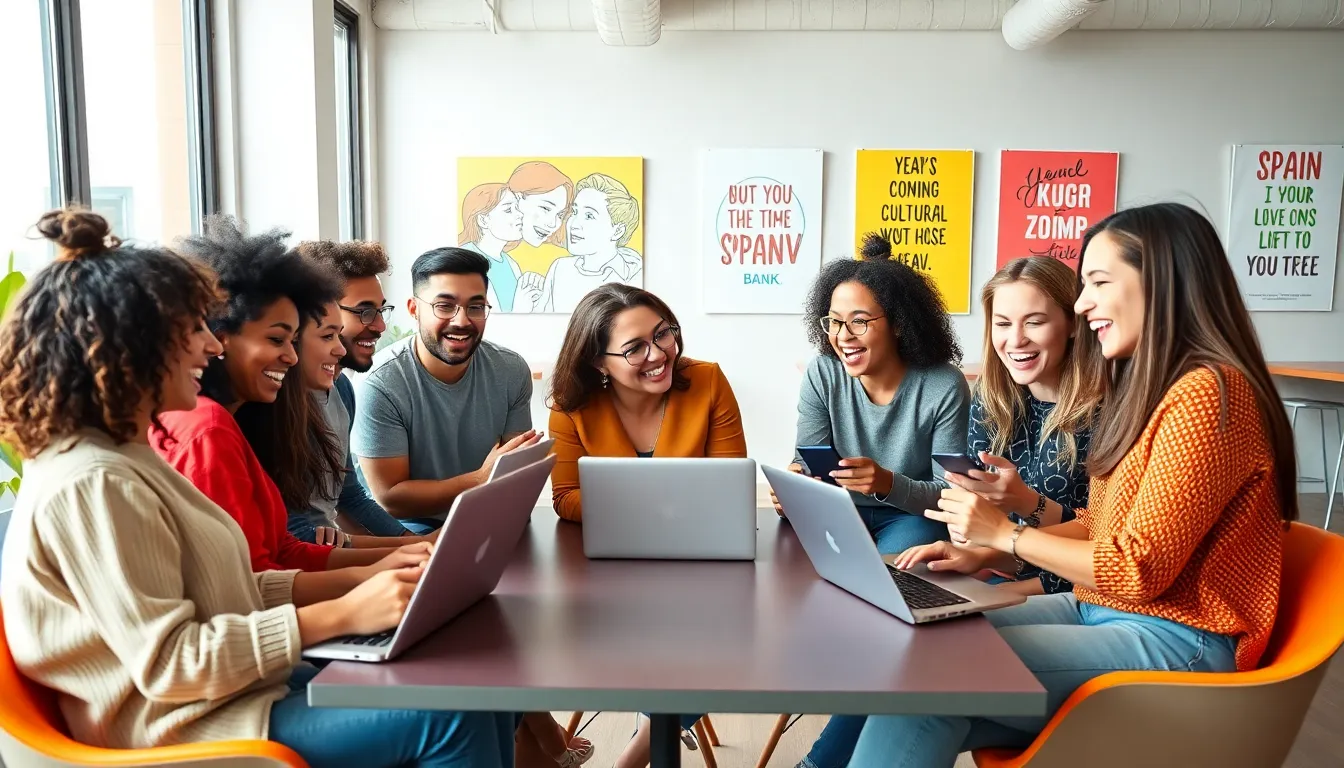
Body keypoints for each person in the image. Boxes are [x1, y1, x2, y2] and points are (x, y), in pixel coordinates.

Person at [0, 208, 518, 768]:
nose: (210, 346)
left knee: (476, 689)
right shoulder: (96, 482)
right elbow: (174, 663)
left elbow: (230, 588)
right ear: (131, 348)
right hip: (181, 730)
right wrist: (344, 613)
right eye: (192, 330)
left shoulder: (125, 459)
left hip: (228, 695)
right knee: (455, 713)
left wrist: (370, 581)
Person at [849, 202, 1295, 767]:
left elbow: (1137, 568)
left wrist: (1008, 536)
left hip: (1178, 638)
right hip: (1102, 609)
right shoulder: (1153, 390)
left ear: (1162, 282)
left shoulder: (1208, 394)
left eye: (1098, 283)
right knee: (921, 657)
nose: (1083, 305)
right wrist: (991, 552)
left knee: (933, 668)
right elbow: (1100, 529)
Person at [792, 256, 1104, 768]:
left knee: (904, 646)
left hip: (1057, 582)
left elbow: (1104, 536)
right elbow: (967, 510)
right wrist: (974, 552)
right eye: (1003, 324)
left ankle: (817, 763)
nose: (1015, 340)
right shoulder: (994, 400)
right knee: (902, 637)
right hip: (999, 563)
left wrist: (1014, 520)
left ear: (1073, 323)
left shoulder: (1106, 413)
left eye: (1035, 321)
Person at [151, 214, 417, 581]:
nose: (290, 357)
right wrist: (373, 582)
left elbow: (282, 548)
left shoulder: (254, 414)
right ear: (221, 338)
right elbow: (251, 581)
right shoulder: (208, 428)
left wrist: (405, 555)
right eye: (279, 340)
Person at [547, 283, 747, 767]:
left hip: (701, 559)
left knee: (731, 637)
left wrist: (633, 504)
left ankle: (636, 753)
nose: (659, 354)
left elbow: (728, 486)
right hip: (613, 563)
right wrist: (664, 508)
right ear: (598, 362)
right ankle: (656, 726)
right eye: (635, 347)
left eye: (664, 334)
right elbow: (565, 497)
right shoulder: (570, 403)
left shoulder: (708, 381)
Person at [777, 232, 969, 554]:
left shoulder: (943, 385)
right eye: (835, 322)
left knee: (892, 578)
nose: (843, 336)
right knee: (794, 568)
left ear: (899, 323)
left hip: (911, 516)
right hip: (838, 511)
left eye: (860, 322)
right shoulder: (822, 373)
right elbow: (807, 461)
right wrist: (795, 490)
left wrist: (888, 484)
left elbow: (951, 494)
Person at [352, 246, 540, 531]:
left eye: (475, 307)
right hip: (412, 527)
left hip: (492, 517)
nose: (462, 320)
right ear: (414, 310)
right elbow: (392, 498)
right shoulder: (381, 384)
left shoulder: (511, 371)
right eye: (445, 306)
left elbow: (511, 474)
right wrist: (479, 479)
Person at [287, 240, 422, 545]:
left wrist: (412, 540)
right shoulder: (278, 403)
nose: (379, 326)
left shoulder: (342, 388)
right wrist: (405, 547)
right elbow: (290, 531)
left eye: (380, 310)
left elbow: (348, 495)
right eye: (364, 312)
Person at [538, 173, 644, 313]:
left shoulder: (634, 276)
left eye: (589, 215)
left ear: (617, 231)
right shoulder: (560, 268)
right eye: (574, 212)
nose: (573, 224)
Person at [457, 183, 543, 313]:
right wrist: (520, 308)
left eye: (518, 208)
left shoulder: (511, 264)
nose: (520, 215)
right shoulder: (464, 261)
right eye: (508, 210)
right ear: (483, 220)